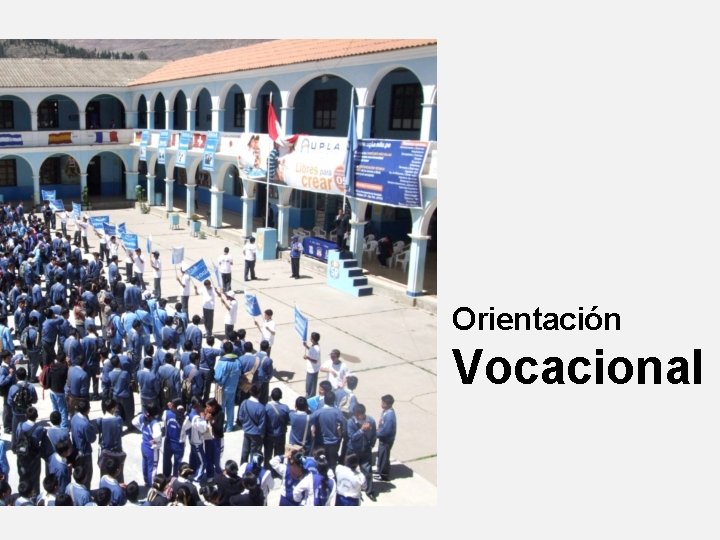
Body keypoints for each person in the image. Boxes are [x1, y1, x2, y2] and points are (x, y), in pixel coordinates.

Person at [347, 403, 377, 500]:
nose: (355, 416)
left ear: (362, 414)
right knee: (350, 471)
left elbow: (374, 434)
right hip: (353, 451)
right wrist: (361, 430)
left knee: (367, 472)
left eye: (357, 414)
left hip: (365, 451)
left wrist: (371, 445)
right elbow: (352, 437)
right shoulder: (351, 422)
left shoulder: (370, 421)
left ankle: (369, 491)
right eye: (355, 414)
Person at [132, 404, 163, 487]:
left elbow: (134, 421)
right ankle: (151, 486)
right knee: (152, 469)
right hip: (152, 449)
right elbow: (157, 436)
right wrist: (156, 441)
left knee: (145, 464)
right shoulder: (155, 424)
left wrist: (141, 429)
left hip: (144, 446)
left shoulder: (142, 418)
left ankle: (146, 481)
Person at [70, 398, 96, 489]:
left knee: (79, 475)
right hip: (85, 453)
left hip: (76, 450)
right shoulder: (85, 424)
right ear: (87, 410)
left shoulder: (74, 417)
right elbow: (92, 439)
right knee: (87, 476)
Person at [238, 384, 266, 464]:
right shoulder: (261, 408)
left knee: (245, 451)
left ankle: (242, 467)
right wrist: (261, 434)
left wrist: (245, 425)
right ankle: (253, 468)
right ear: (259, 393)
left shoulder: (244, 403)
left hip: (246, 431)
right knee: (255, 454)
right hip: (256, 434)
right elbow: (262, 424)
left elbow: (240, 417)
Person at [264, 387, 290, 465]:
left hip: (269, 435)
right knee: (279, 455)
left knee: (267, 454)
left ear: (271, 396)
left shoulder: (266, 407)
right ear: (280, 397)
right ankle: (277, 470)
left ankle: (267, 467)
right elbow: (288, 421)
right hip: (281, 435)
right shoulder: (285, 408)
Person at [376, 394, 397, 482]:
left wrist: (376, 434)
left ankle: (383, 475)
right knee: (381, 456)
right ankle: (380, 470)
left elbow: (386, 431)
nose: (381, 404)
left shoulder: (389, 416)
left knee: (384, 457)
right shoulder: (385, 411)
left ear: (388, 404)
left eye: (383, 403)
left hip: (386, 440)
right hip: (383, 439)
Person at [302, 331, 321, 397]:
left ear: (313, 339)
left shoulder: (317, 349)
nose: (310, 339)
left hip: (313, 370)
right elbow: (311, 350)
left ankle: (310, 397)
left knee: (311, 385)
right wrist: (306, 346)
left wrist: (307, 358)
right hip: (310, 369)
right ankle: (308, 395)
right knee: (308, 384)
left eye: (311, 338)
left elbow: (315, 361)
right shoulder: (313, 346)